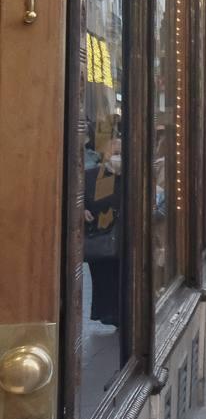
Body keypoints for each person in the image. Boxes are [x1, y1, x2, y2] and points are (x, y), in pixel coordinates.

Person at [83, 137, 123, 329]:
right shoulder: (91, 176)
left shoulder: (128, 177)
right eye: (114, 153)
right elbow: (78, 198)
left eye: (120, 154)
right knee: (103, 278)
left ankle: (120, 314)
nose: (117, 158)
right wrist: (82, 210)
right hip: (99, 236)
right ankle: (108, 313)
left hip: (122, 236)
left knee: (120, 276)